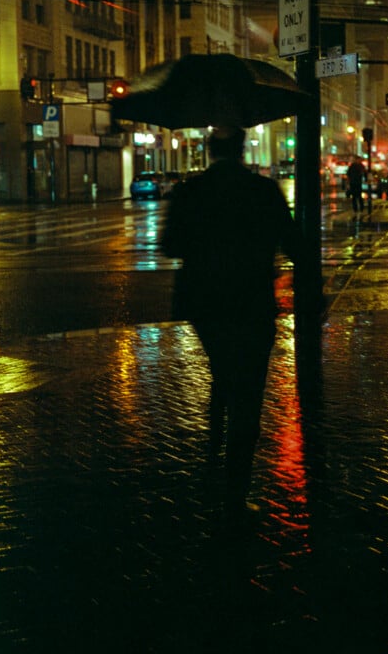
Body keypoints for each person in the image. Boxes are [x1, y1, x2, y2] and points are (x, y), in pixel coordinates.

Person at [160, 125, 301, 523]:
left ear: (210, 150)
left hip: (205, 303)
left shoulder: (191, 191)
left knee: (222, 371)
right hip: (252, 301)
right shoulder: (263, 191)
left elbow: (169, 245)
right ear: (242, 149)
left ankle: (213, 454)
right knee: (248, 391)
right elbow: (293, 243)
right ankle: (235, 491)